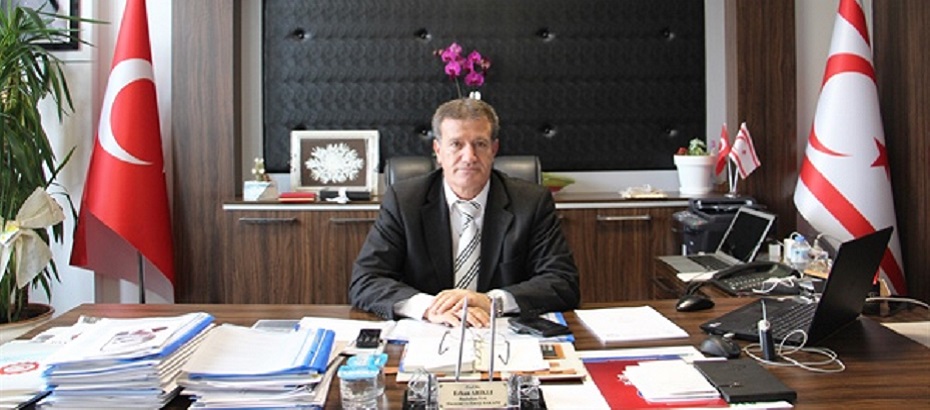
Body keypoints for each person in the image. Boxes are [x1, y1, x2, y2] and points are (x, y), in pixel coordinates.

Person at [349, 98, 580, 327]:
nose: (469, 157)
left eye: (480, 144)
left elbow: (562, 282)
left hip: (499, 331)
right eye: (456, 144)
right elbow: (366, 280)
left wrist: (492, 302)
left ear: (493, 149)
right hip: (429, 332)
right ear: (438, 151)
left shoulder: (531, 202)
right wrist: (430, 308)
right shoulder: (404, 201)